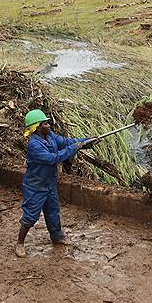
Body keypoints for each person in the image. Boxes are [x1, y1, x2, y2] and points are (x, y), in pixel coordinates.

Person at [15, 109, 98, 258]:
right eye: (45, 123)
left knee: (52, 211)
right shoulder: (34, 145)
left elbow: (66, 142)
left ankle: (57, 237)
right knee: (31, 215)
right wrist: (75, 148)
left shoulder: (50, 136)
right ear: (37, 127)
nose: (49, 125)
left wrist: (86, 141)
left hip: (49, 183)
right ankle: (20, 243)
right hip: (35, 185)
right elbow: (53, 158)